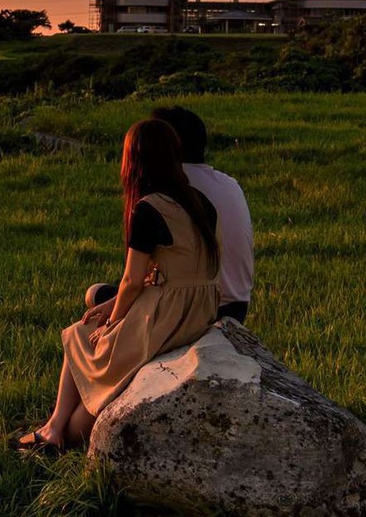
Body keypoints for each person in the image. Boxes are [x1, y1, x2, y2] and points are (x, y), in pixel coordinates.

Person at [16, 119, 222, 453]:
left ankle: (54, 428)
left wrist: (113, 321)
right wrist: (112, 306)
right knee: (92, 327)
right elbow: (179, 269)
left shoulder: (149, 208)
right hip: (199, 310)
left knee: (83, 333)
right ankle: (57, 428)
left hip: (166, 313)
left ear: (134, 161)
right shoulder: (200, 202)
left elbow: (130, 280)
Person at [84, 106, 255, 323]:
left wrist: (112, 322)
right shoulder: (230, 184)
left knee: (95, 294)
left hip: (191, 306)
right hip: (237, 307)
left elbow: (136, 281)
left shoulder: (166, 194)